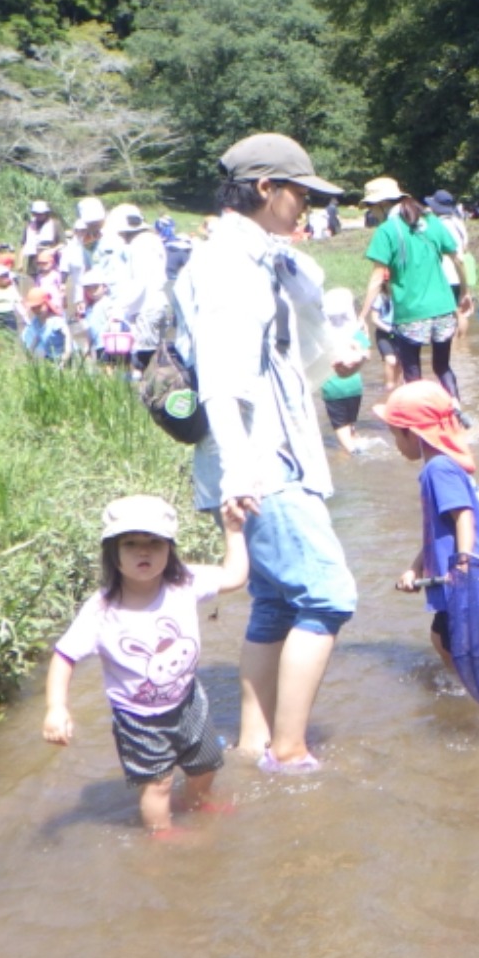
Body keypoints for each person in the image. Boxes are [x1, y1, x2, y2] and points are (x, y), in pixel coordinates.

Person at [176, 132, 360, 775]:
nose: (306, 206)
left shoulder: (263, 261)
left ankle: (254, 743)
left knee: (279, 602)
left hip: (275, 456)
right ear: (265, 188)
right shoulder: (228, 266)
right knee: (330, 594)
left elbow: (282, 373)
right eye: (301, 193)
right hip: (260, 465)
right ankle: (289, 750)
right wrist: (241, 472)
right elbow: (223, 382)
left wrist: (329, 357)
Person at [41, 494, 249, 836]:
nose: (143, 551)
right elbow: (65, 656)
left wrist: (234, 531)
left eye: (154, 543)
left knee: (206, 764)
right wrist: (56, 708)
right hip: (138, 718)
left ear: (169, 549)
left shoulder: (183, 583)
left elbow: (234, 576)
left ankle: (196, 802)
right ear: (113, 553)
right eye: (131, 543)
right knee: (158, 783)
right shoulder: (102, 610)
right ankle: (162, 833)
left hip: (188, 702)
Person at [376, 379, 479, 674]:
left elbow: (464, 517)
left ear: (413, 434)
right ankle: (471, 688)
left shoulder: (438, 470)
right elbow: (440, 530)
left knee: (468, 650)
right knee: (443, 639)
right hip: (476, 575)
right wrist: (416, 567)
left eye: (395, 435)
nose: (395, 444)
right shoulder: (448, 465)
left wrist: (462, 563)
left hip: (469, 578)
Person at [358, 178, 471, 399]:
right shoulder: (431, 221)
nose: (372, 212)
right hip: (443, 309)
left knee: (413, 374)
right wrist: (465, 293)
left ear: (382, 204)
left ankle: (419, 428)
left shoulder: (387, 230)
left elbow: (377, 278)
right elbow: (458, 259)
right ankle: (456, 414)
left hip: (411, 313)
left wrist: (362, 315)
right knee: (442, 368)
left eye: (371, 207)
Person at [108, 204, 169, 371]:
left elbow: (138, 283)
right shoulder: (153, 240)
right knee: (159, 356)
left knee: (145, 359)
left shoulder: (139, 246)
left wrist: (118, 308)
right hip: (158, 304)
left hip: (146, 308)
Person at [318, 288, 370, 453]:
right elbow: (367, 353)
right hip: (355, 387)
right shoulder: (354, 332)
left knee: (341, 427)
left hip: (333, 388)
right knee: (351, 425)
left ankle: (353, 454)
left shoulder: (321, 335)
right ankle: (357, 445)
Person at [425, 190, 473, 339]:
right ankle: (462, 345)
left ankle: (453, 348)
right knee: (460, 311)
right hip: (461, 273)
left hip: (445, 274)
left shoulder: (438, 225)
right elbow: (464, 247)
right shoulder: (458, 222)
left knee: (448, 315)